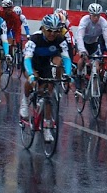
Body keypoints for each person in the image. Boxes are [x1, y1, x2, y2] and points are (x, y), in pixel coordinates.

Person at [21, 14, 73, 142]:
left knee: (48, 94)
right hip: (31, 63)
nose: (52, 34)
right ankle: (24, 100)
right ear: (43, 28)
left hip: (45, 64)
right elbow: (27, 59)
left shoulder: (60, 40)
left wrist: (68, 75)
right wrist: (32, 75)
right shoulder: (35, 39)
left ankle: (47, 127)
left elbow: (66, 58)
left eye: (55, 31)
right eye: (49, 30)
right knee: (33, 79)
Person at [75, 3, 107, 75]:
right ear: (90, 15)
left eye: (98, 15)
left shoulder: (103, 22)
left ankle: (94, 82)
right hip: (83, 41)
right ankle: (79, 74)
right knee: (83, 58)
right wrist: (82, 50)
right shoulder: (84, 20)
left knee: (96, 66)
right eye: (94, 15)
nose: (96, 18)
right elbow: (80, 36)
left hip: (93, 42)